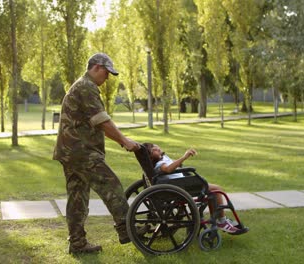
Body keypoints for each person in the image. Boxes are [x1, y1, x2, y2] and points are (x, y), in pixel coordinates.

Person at [53, 53, 140, 254]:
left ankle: (77, 244)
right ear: (97, 68)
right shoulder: (86, 87)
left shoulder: (82, 85)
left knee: (77, 199)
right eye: (107, 73)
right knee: (110, 184)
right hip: (82, 152)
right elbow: (102, 121)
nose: (108, 78)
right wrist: (124, 141)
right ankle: (126, 229)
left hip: (70, 152)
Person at [142, 142, 241, 234]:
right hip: (182, 186)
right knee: (217, 190)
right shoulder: (159, 165)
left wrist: (179, 162)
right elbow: (168, 169)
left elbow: (173, 166)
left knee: (213, 191)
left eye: (157, 146)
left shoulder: (163, 159)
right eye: (154, 149)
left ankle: (218, 219)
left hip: (181, 184)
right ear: (150, 156)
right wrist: (184, 157)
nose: (157, 148)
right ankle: (222, 222)